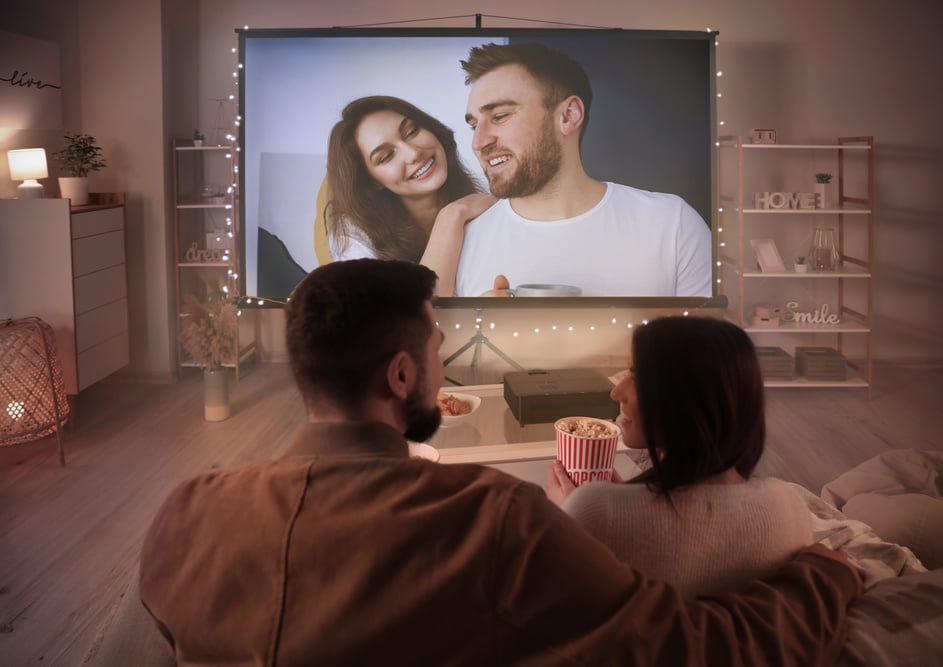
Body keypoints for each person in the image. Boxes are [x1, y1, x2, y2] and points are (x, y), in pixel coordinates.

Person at [140, 259, 862, 665]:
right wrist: (822, 572)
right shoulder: (492, 520)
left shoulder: (182, 516)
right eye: (437, 347)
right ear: (399, 376)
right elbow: (698, 648)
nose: (445, 365)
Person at [546, 316, 814, 598]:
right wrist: (628, 495)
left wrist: (566, 519)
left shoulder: (594, 511)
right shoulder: (791, 508)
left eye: (636, 377)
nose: (617, 392)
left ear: (685, 397)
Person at [446, 42, 712, 297]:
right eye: (473, 125)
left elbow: (707, 343)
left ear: (568, 116)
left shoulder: (673, 225)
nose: (478, 142)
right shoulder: (461, 243)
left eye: (500, 116)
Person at [320, 95, 495, 290]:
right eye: (387, 156)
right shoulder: (356, 237)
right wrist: (451, 217)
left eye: (411, 131)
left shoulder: (482, 205)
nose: (413, 153)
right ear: (371, 182)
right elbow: (420, 313)